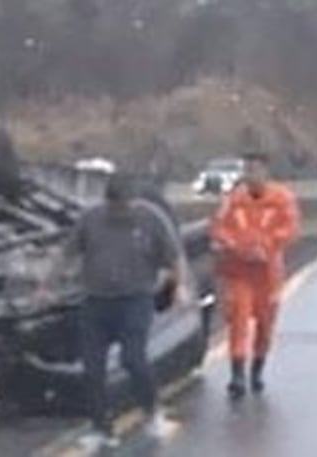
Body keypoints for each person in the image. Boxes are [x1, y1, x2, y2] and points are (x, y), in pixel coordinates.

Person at [70, 172, 182, 446]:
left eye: (123, 206)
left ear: (133, 201)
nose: (118, 212)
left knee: (132, 358)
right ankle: (101, 427)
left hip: (134, 300)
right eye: (113, 206)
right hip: (96, 302)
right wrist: (46, 284)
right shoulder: (91, 219)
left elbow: (172, 257)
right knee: (92, 368)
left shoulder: (151, 220)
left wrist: (177, 287)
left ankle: (153, 411)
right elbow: (68, 251)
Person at [210, 150, 301, 400]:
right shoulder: (233, 200)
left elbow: (291, 228)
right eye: (247, 170)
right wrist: (234, 246)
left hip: (268, 273)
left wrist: (268, 245)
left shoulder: (282, 198)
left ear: (265, 171)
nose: (250, 175)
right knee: (238, 320)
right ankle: (237, 375)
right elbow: (219, 227)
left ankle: (257, 370)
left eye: (255, 170)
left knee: (265, 324)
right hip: (239, 271)